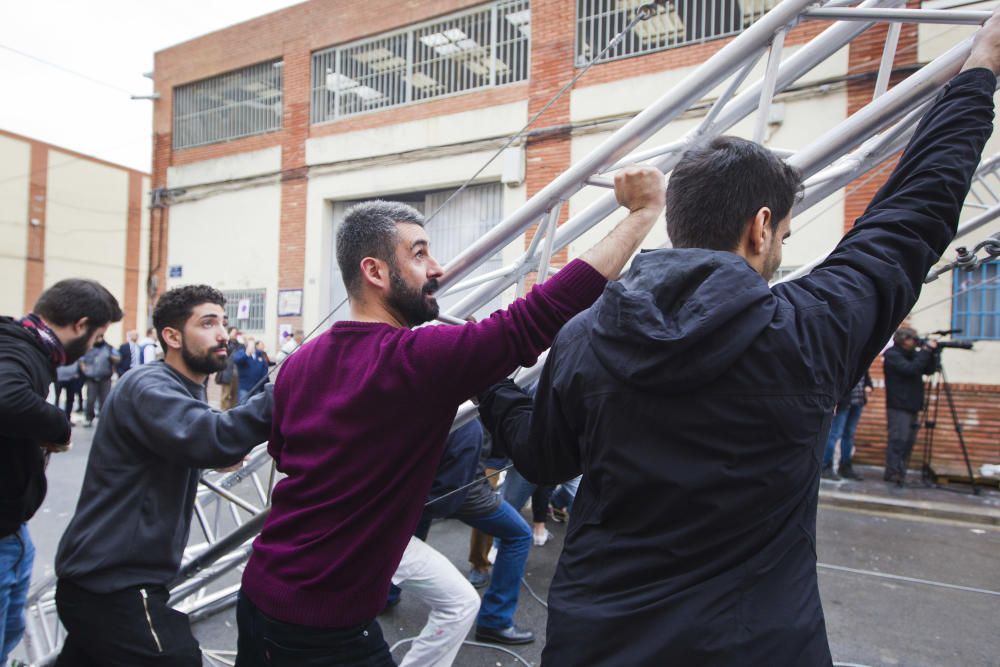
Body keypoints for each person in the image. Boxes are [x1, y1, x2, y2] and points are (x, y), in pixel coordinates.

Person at [477, 19, 1000, 665]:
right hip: (758, 647)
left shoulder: (586, 336)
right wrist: (979, 74)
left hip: (600, 642)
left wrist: (486, 377)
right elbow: (910, 218)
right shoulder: (811, 328)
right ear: (761, 228)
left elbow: (541, 454)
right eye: (781, 233)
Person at [235, 166, 665, 665]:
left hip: (264, 593)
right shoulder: (417, 358)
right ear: (375, 272)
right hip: (321, 627)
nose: (437, 268)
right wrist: (642, 214)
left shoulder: (298, 364)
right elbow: (541, 313)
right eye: (419, 254)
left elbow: (286, 455)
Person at [53, 285, 272, 666]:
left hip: (105, 584)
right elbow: (214, 438)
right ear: (171, 336)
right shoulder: (148, 385)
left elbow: (195, 440)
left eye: (224, 322)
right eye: (208, 323)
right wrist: (289, 388)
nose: (224, 333)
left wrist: (206, 452)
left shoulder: (180, 389)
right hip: (113, 586)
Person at [0, 278, 122, 664]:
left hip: (12, 529)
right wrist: (59, 426)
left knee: (10, 632)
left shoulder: (30, 348)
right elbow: (7, 397)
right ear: (80, 325)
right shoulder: (18, 348)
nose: (93, 346)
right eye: (97, 336)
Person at [882, 327, 937, 486]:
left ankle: (901, 471)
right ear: (903, 339)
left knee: (908, 442)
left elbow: (928, 370)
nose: (915, 342)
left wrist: (931, 354)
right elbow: (911, 369)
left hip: (913, 405)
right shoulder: (892, 355)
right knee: (898, 440)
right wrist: (925, 350)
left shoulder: (912, 354)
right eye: (912, 339)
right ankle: (892, 472)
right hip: (898, 405)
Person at [821, 372, 873, 481]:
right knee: (835, 433)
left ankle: (845, 467)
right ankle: (825, 466)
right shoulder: (845, 356)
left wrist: (869, 386)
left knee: (849, 434)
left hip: (858, 401)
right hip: (843, 402)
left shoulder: (861, 356)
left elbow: (866, 376)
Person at [79, 334, 119, 426]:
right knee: (90, 400)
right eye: (97, 337)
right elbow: (81, 359)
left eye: (100, 337)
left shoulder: (109, 348)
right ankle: (89, 418)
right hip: (91, 378)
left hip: (105, 378)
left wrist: (112, 358)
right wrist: (84, 369)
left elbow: (118, 358)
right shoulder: (89, 347)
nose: (99, 339)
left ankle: (103, 419)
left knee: (104, 400)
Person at [233, 335, 268, 405]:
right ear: (246, 344)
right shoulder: (241, 353)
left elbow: (265, 366)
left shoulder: (259, 354)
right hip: (245, 387)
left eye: (252, 344)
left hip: (257, 386)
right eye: (249, 344)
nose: (251, 346)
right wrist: (247, 353)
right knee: (242, 404)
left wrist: (263, 379)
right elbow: (237, 360)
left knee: (256, 405)